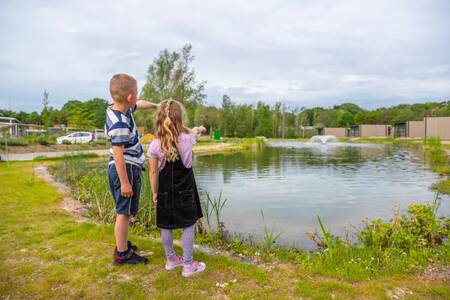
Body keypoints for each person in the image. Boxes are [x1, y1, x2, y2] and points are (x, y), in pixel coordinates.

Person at [147, 99, 206, 277]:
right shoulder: (188, 139)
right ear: (180, 118)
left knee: (166, 226)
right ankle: (188, 265)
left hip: (164, 191)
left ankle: (171, 260)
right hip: (186, 191)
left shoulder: (155, 144)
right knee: (188, 225)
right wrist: (200, 129)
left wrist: (155, 192)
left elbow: (152, 172)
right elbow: (193, 131)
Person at [105, 73, 159, 265]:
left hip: (128, 167)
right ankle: (122, 254)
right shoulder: (120, 122)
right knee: (123, 212)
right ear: (129, 97)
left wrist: (155, 106)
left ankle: (123, 244)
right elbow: (118, 154)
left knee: (124, 212)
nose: (138, 96)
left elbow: (141, 103)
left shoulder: (122, 109)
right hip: (124, 169)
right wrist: (125, 182)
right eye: (136, 92)